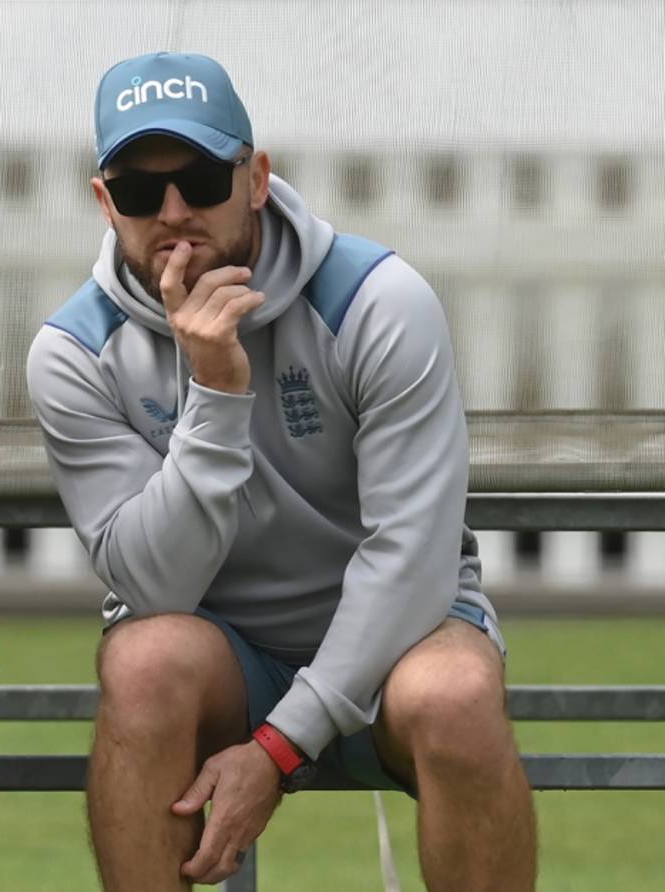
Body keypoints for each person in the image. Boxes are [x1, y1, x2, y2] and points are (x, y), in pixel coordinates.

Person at [27, 52, 536, 890]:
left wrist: (280, 745)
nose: (176, 211)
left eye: (200, 176)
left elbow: (411, 560)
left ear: (256, 178)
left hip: (402, 639)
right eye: (140, 191)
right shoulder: (74, 353)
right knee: (143, 665)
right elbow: (154, 588)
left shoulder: (378, 300)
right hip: (227, 654)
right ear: (101, 201)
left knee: (454, 696)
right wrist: (218, 397)